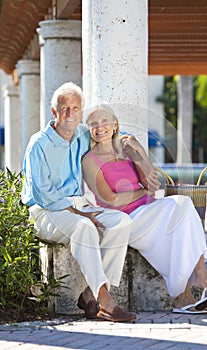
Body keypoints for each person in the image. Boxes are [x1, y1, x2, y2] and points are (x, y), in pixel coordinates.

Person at [82, 104, 207, 314]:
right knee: (181, 211)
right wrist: (141, 192)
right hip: (124, 219)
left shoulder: (127, 150)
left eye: (104, 121)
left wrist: (138, 151)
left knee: (182, 210)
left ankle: (188, 295)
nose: (99, 127)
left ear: (114, 125)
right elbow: (111, 200)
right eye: (93, 123)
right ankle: (196, 286)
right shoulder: (89, 160)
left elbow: (153, 184)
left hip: (149, 212)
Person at [21, 82, 137, 323]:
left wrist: (128, 143)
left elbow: (105, 139)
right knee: (84, 226)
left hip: (79, 205)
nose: (70, 113)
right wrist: (77, 213)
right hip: (45, 210)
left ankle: (88, 293)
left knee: (121, 222)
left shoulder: (82, 135)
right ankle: (105, 300)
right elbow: (42, 193)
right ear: (54, 112)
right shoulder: (38, 144)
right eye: (65, 108)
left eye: (76, 108)